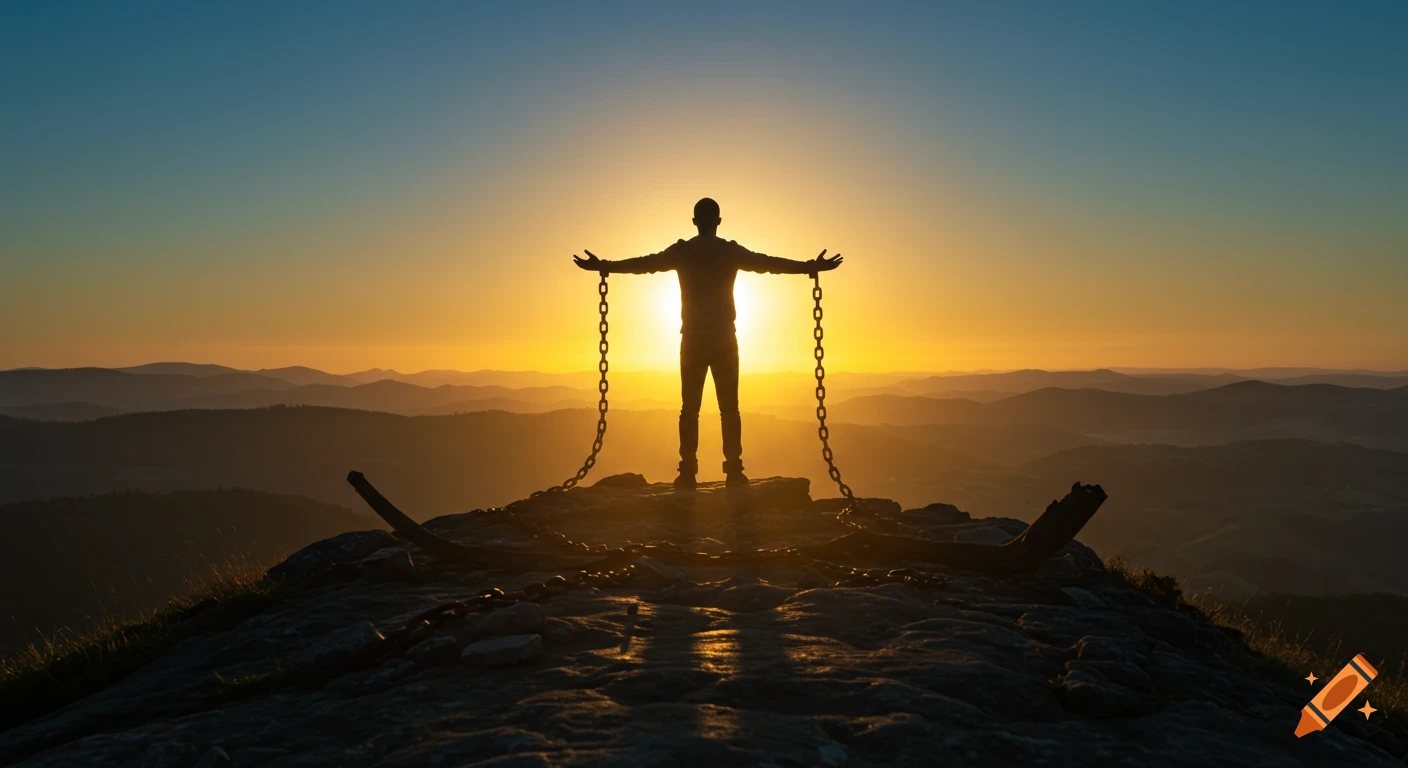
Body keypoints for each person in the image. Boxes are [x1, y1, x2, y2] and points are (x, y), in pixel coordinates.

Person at [573, 197, 843, 489]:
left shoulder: (682, 252)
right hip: (725, 338)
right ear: (718, 222)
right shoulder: (731, 252)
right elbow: (769, 264)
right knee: (730, 409)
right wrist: (809, 267)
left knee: (689, 409)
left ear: (694, 222)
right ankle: (735, 472)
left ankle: (687, 472)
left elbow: (645, 265)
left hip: (692, 340)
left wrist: (605, 266)